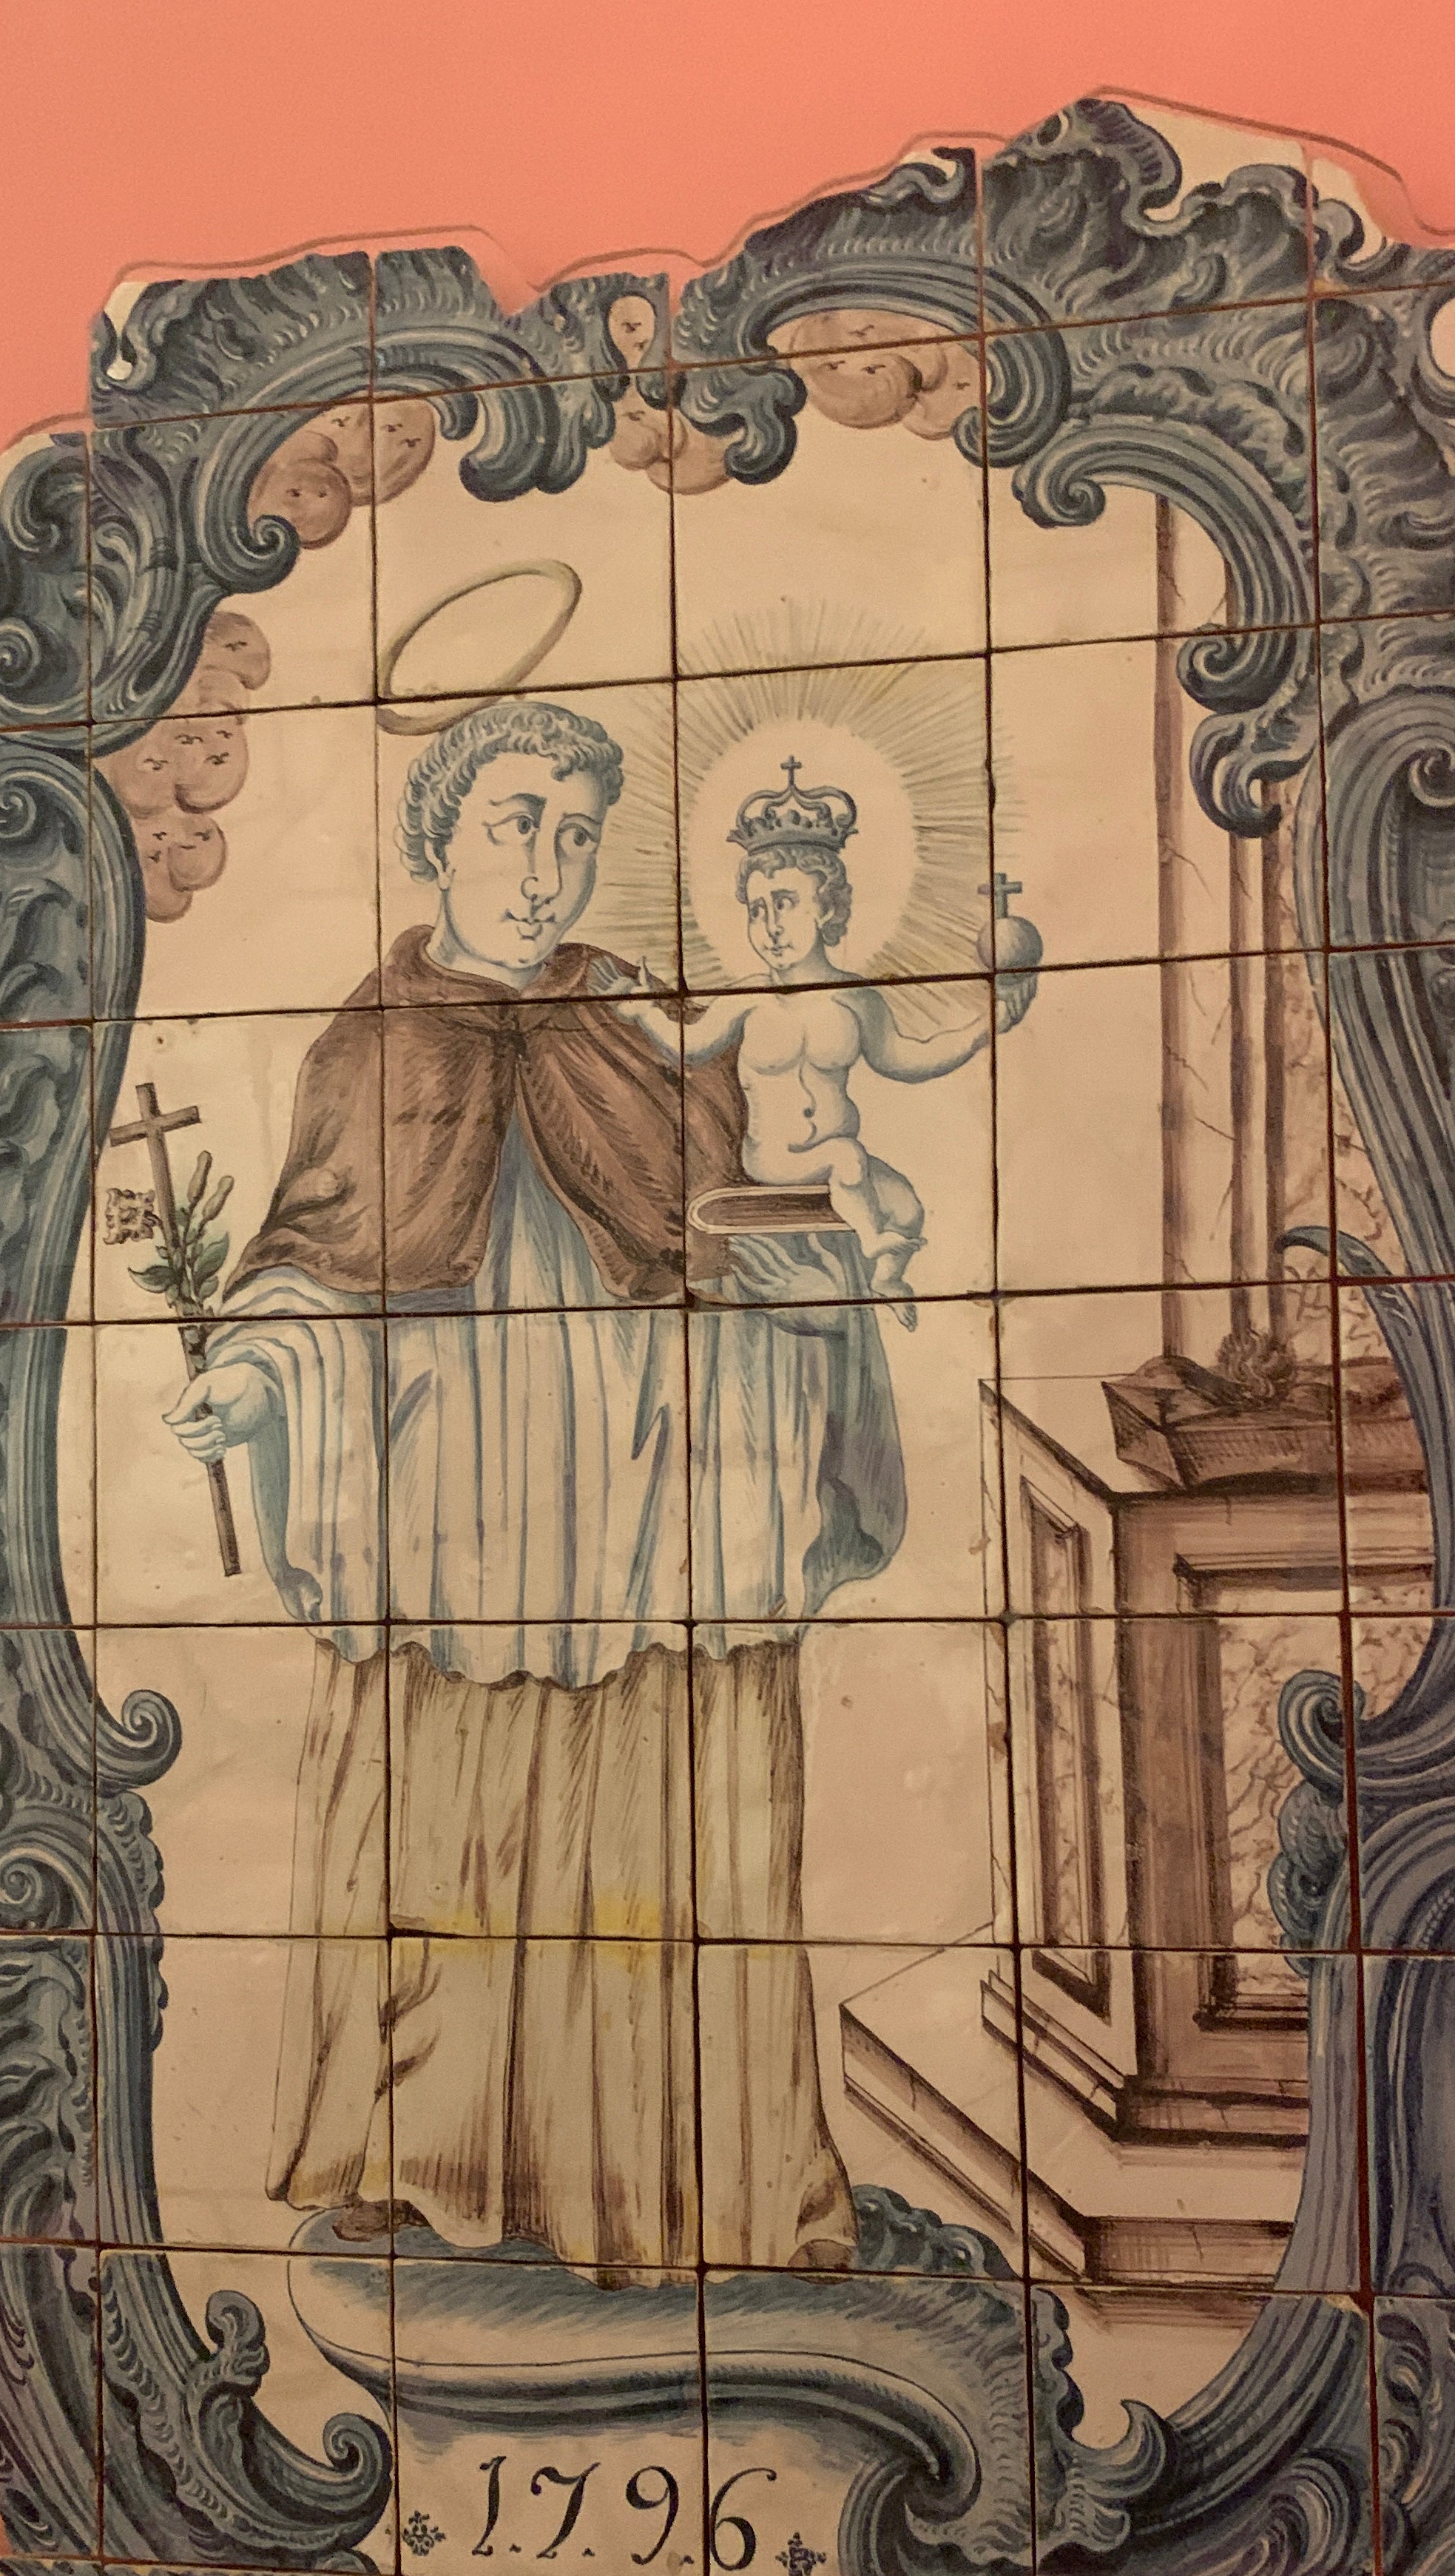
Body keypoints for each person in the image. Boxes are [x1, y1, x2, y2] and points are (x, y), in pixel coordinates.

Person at [161, 697, 902, 2278]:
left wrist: (820, 1282)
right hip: (451, 1525)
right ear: (440, 837)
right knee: (452, 1836)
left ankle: (655, 2179)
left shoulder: (644, 1024)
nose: (548, 863)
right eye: (516, 823)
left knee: (652, 1830)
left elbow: (738, 1217)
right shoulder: (373, 1041)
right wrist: (255, 1375)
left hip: (644, 1532)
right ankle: (434, 2161)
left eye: (575, 833)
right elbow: (310, 1263)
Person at [604, 760, 1019, 1326]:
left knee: (907, 1208)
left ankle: (889, 1270)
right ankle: (876, 1247)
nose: (771, 925)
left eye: (786, 903)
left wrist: (978, 1031)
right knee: (847, 1158)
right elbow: (690, 1045)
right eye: (758, 909)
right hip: (776, 1160)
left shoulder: (857, 1000)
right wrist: (645, 1012)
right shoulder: (747, 998)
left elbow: (905, 1058)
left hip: (837, 1163)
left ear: (827, 908)